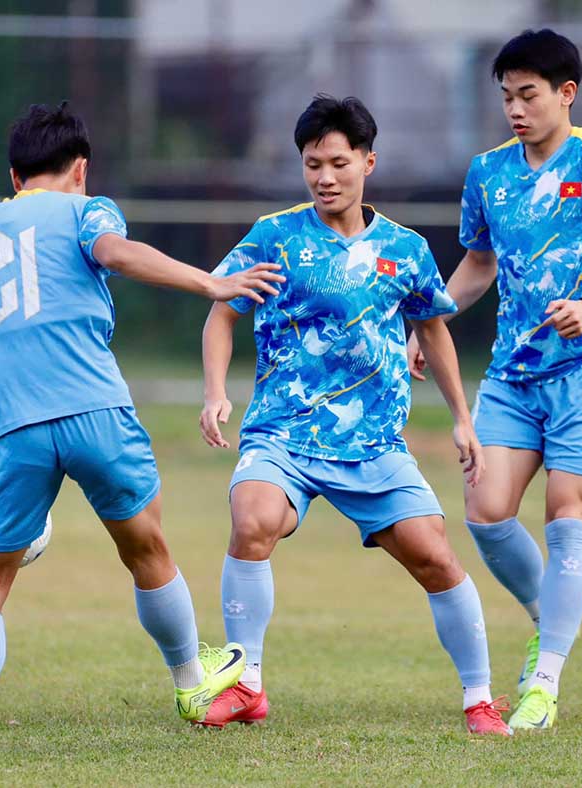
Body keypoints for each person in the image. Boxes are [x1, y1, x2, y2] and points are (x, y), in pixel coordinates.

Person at [0, 102, 286, 759]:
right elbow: (116, 253)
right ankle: (191, 686)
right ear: (80, 170)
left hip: (14, 429)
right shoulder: (85, 210)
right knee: (147, 549)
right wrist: (210, 282)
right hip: (97, 412)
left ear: (13, 177)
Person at [197, 94, 512, 736]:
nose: (324, 178)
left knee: (435, 557)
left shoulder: (406, 248)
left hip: (373, 445)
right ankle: (247, 684)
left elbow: (435, 329)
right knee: (253, 517)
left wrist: (461, 417)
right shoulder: (276, 236)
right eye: (312, 164)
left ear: (368, 161)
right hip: (283, 434)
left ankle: (480, 699)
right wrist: (214, 390)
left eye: (338, 162)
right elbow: (222, 311)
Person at [408, 29, 582, 731]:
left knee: (566, 519)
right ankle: (550, 618)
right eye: (507, 97)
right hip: (513, 375)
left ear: (565, 94)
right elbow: (479, 263)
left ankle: (544, 681)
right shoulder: (488, 171)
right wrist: (431, 322)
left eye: (529, 95)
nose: (515, 109)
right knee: (486, 513)